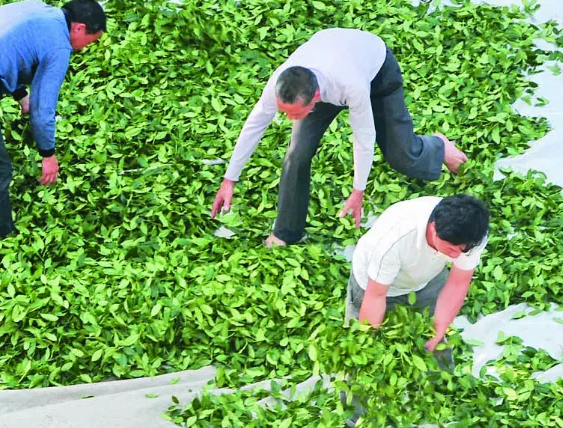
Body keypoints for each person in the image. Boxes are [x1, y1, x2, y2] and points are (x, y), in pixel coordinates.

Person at [209, 28, 469, 246]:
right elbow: (255, 123)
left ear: (316, 99)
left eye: (295, 114)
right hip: (327, 57)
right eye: (285, 113)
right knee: (297, 152)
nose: (289, 120)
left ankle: (438, 145)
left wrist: (359, 190)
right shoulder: (282, 82)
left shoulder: (352, 85)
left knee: (402, 156)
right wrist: (229, 178)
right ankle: (286, 232)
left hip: (375, 67)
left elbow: (364, 137)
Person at [0, 0, 106, 240]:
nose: (85, 47)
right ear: (79, 28)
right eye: (91, 41)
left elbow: (9, 51)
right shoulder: (59, 46)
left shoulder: (39, 9)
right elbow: (43, 111)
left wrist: (20, 95)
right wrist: (48, 154)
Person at [347, 194, 489, 353]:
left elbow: (458, 282)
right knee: (364, 346)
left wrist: (441, 326)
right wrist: (368, 344)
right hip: (374, 283)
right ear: (433, 228)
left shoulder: (474, 233)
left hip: (426, 276)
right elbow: (375, 295)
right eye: (451, 249)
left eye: (462, 251)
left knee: (431, 341)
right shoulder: (395, 238)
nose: (456, 256)